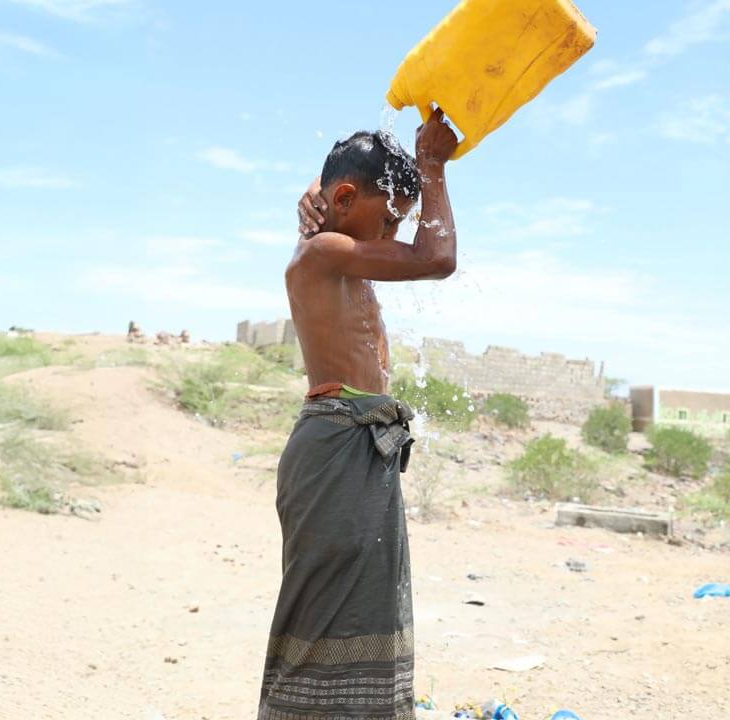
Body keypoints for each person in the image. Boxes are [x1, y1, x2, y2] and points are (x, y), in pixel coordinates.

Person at [258, 109, 458, 720]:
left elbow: (355, 198)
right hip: (336, 444)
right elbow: (437, 258)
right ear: (344, 199)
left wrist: (323, 195)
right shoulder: (325, 251)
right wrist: (433, 169)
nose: (393, 234)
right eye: (389, 217)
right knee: (326, 607)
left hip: (355, 443)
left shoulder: (340, 246)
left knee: (361, 603)